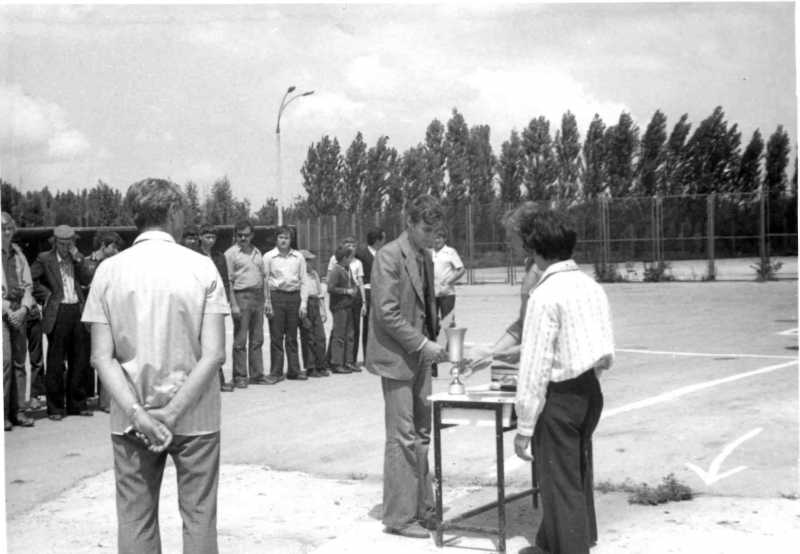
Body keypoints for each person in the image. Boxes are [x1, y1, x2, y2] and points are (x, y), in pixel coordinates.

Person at [82, 177, 228, 554]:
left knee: (136, 520)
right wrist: (172, 412)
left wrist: (141, 414)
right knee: (199, 518)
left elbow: (101, 356)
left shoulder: (108, 271)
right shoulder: (202, 267)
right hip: (196, 416)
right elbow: (214, 353)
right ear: (173, 212)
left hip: (132, 417)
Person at [512, 209, 614, 554]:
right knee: (573, 474)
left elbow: (534, 365)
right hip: (590, 391)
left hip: (560, 400)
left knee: (559, 483)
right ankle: (553, 542)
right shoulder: (592, 287)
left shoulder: (544, 295)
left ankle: (570, 548)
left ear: (536, 250)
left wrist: (524, 425)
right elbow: (604, 347)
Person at [366, 194, 448, 539]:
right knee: (402, 436)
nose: (432, 236)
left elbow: (426, 306)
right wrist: (422, 344)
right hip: (397, 358)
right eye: (426, 230)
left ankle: (423, 508)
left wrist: (436, 336)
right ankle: (399, 517)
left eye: (436, 230)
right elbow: (386, 313)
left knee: (423, 433)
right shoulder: (388, 256)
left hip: (420, 356)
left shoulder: (425, 256)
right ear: (410, 224)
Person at [30, 224, 93, 421]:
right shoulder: (45, 259)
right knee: (56, 361)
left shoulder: (77, 258)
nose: (65, 247)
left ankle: (78, 404)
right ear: (55, 242)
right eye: (62, 244)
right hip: (58, 311)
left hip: (77, 309)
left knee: (79, 358)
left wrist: (78, 258)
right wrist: (46, 295)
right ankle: (55, 407)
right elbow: (30, 280)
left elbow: (87, 278)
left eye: (69, 244)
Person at [83, 230, 125, 412]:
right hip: (89, 313)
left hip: (110, 313)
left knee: (108, 356)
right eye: (114, 246)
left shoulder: (116, 264)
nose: (117, 251)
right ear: (103, 245)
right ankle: (85, 397)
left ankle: (106, 400)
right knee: (89, 357)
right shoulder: (86, 263)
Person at [224, 220, 269, 388]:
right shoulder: (230, 254)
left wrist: (265, 299)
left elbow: (263, 277)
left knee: (257, 338)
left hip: (258, 296)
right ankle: (240, 376)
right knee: (240, 339)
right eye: (240, 235)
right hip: (241, 296)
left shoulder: (257, 252)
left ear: (252, 235)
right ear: (236, 235)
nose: (243, 238)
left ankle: (257, 374)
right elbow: (229, 281)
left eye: (246, 235)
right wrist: (233, 304)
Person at [2, 212, 36, 430]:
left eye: (9, 228)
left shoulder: (18, 255)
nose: (6, 232)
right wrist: (6, 309)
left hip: (19, 312)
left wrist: (24, 309)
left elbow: (28, 286)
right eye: (2, 228)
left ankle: (19, 411)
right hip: (3, 313)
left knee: (19, 363)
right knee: (4, 363)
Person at [263, 226, 308, 382]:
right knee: (276, 336)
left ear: (291, 240)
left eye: (287, 238)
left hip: (294, 297)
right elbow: (265, 280)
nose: (284, 240)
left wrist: (303, 303)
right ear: (276, 239)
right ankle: (276, 372)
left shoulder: (298, 257)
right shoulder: (269, 257)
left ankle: (294, 370)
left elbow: (304, 280)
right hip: (276, 297)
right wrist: (267, 302)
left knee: (292, 336)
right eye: (281, 237)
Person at [199, 224, 235, 392]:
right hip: (200, 303)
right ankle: (203, 382)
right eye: (207, 237)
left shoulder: (220, 257)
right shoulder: (193, 256)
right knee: (201, 343)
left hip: (216, 304)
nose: (211, 240)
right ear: (201, 237)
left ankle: (219, 380)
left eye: (213, 237)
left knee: (216, 342)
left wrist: (226, 302)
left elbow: (225, 281)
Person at [328, 236, 365, 371]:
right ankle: (337, 362)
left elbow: (353, 282)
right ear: (344, 258)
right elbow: (330, 288)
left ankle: (348, 361)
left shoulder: (347, 269)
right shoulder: (336, 270)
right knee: (339, 335)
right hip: (339, 306)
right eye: (350, 257)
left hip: (349, 305)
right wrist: (346, 291)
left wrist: (354, 289)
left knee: (350, 334)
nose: (351, 260)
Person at [355, 228, 386, 365]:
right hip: (368, 291)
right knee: (368, 325)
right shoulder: (361, 254)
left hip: (382, 292)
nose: (385, 241)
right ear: (377, 240)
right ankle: (368, 356)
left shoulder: (383, 254)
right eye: (383, 238)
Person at [298, 249, 329, 378]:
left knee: (320, 337)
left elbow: (320, 294)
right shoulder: (299, 276)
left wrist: (323, 310)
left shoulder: (314, 274)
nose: (310, 263)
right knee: (308, 337)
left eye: (311, 261)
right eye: (308, 260)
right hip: (306, 304)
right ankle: (310, 367)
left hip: (315, 303)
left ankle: (321, 365)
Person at [430, 227, 465, 323]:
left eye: (439, 238)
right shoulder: (429, 253)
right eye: (434, 238)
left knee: (447, 323)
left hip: (447, 293)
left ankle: (448, 333)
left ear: (444, 239)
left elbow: (461, 270)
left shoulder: (450, 251)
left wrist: (449, 282)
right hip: (431, 294)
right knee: (431, 323)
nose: (437, 240)